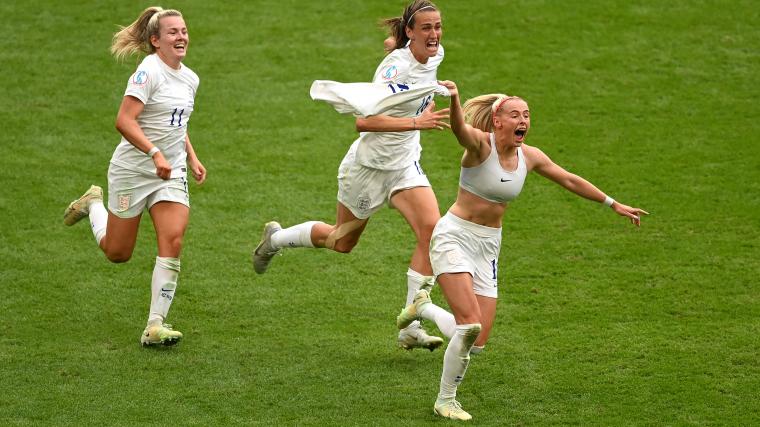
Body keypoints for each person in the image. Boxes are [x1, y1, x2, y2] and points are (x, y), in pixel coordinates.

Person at [396, 80, 649, 420]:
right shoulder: (478, 148)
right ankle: (446, 400)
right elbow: (458, 128)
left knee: (478, 339)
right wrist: (455, 99)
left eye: (527, 115)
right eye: (515, 114)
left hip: (488, 246)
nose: (523, 120)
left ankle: (423, 305)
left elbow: (569, 179)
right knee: (468, 326)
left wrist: (612, 203)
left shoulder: (529, 157)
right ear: (497, 121)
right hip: (454, 236)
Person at [252, 0, 451, 351]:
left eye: (437, 27)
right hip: (368, 169)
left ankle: (410, 325)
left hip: (404, 165)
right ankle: (276, 239)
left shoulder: (433, 54)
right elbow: (364, 121)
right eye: (426, 28)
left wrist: (397, 46)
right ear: (410, 31)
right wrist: (416, 121)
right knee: (341, 242)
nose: (434, 34)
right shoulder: (394, 71)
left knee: (432, 231)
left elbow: (404, 53)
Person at [63, 6, 205, 347]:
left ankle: (155, 325)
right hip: (133, 170)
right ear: (155, 41)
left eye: (183, 31)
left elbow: (176, 123)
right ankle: (93, 205)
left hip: (170, 172)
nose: (181, 36)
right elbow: (124, 120)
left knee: (173, 240)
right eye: (172, 32)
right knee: (117, 252)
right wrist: (153, 153)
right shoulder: (147, 73)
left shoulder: (190, 78)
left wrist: (191, 155)